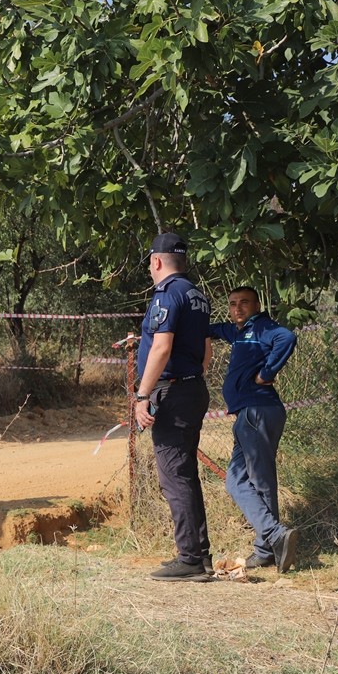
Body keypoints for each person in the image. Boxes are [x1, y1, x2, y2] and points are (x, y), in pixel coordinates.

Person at [135, 233, 213, 582]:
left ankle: (190, 559)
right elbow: (207, 350)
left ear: (156, 261)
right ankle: (200, 554)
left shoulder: (167, 294)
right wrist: (191, 377)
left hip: (174, 393)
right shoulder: (197, 295)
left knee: (174, 476)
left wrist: (142, 395)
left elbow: (161, 347)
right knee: (186, 473)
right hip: (193, 388)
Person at [206, 286, 299, 573]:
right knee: (237, 481)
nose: (237, 308)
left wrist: (267, 373)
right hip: (247, 415)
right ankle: (269, 545)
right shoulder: (238, 331)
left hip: (258, 411)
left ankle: (272, 540)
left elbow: (287, 337)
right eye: (232, 303)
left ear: (257, 305)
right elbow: (211, 329)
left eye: (244, 302)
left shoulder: (262, 328)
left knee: (260, 481)